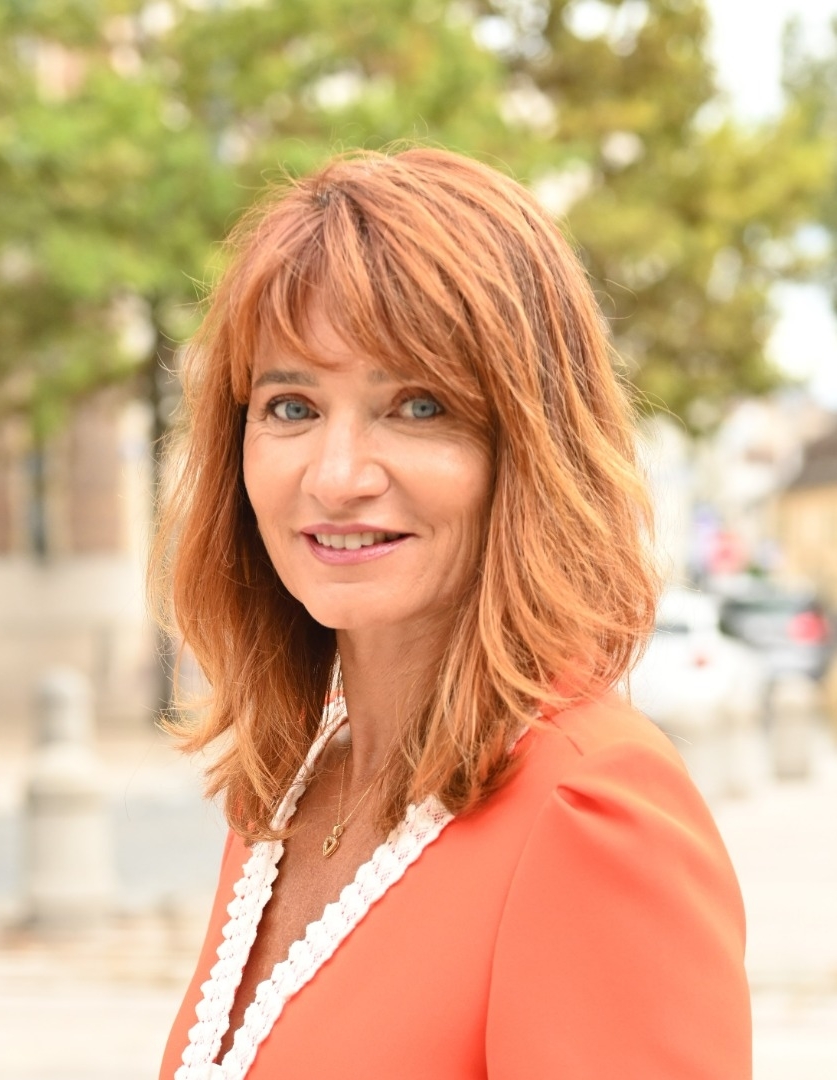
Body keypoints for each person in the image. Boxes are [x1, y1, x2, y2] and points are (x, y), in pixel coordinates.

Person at [156, 147, 751, 1080]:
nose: (337, 477)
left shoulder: (591, 811)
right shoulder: (292, 791)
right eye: (292, 406)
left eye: (417, 406)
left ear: (529, 448)